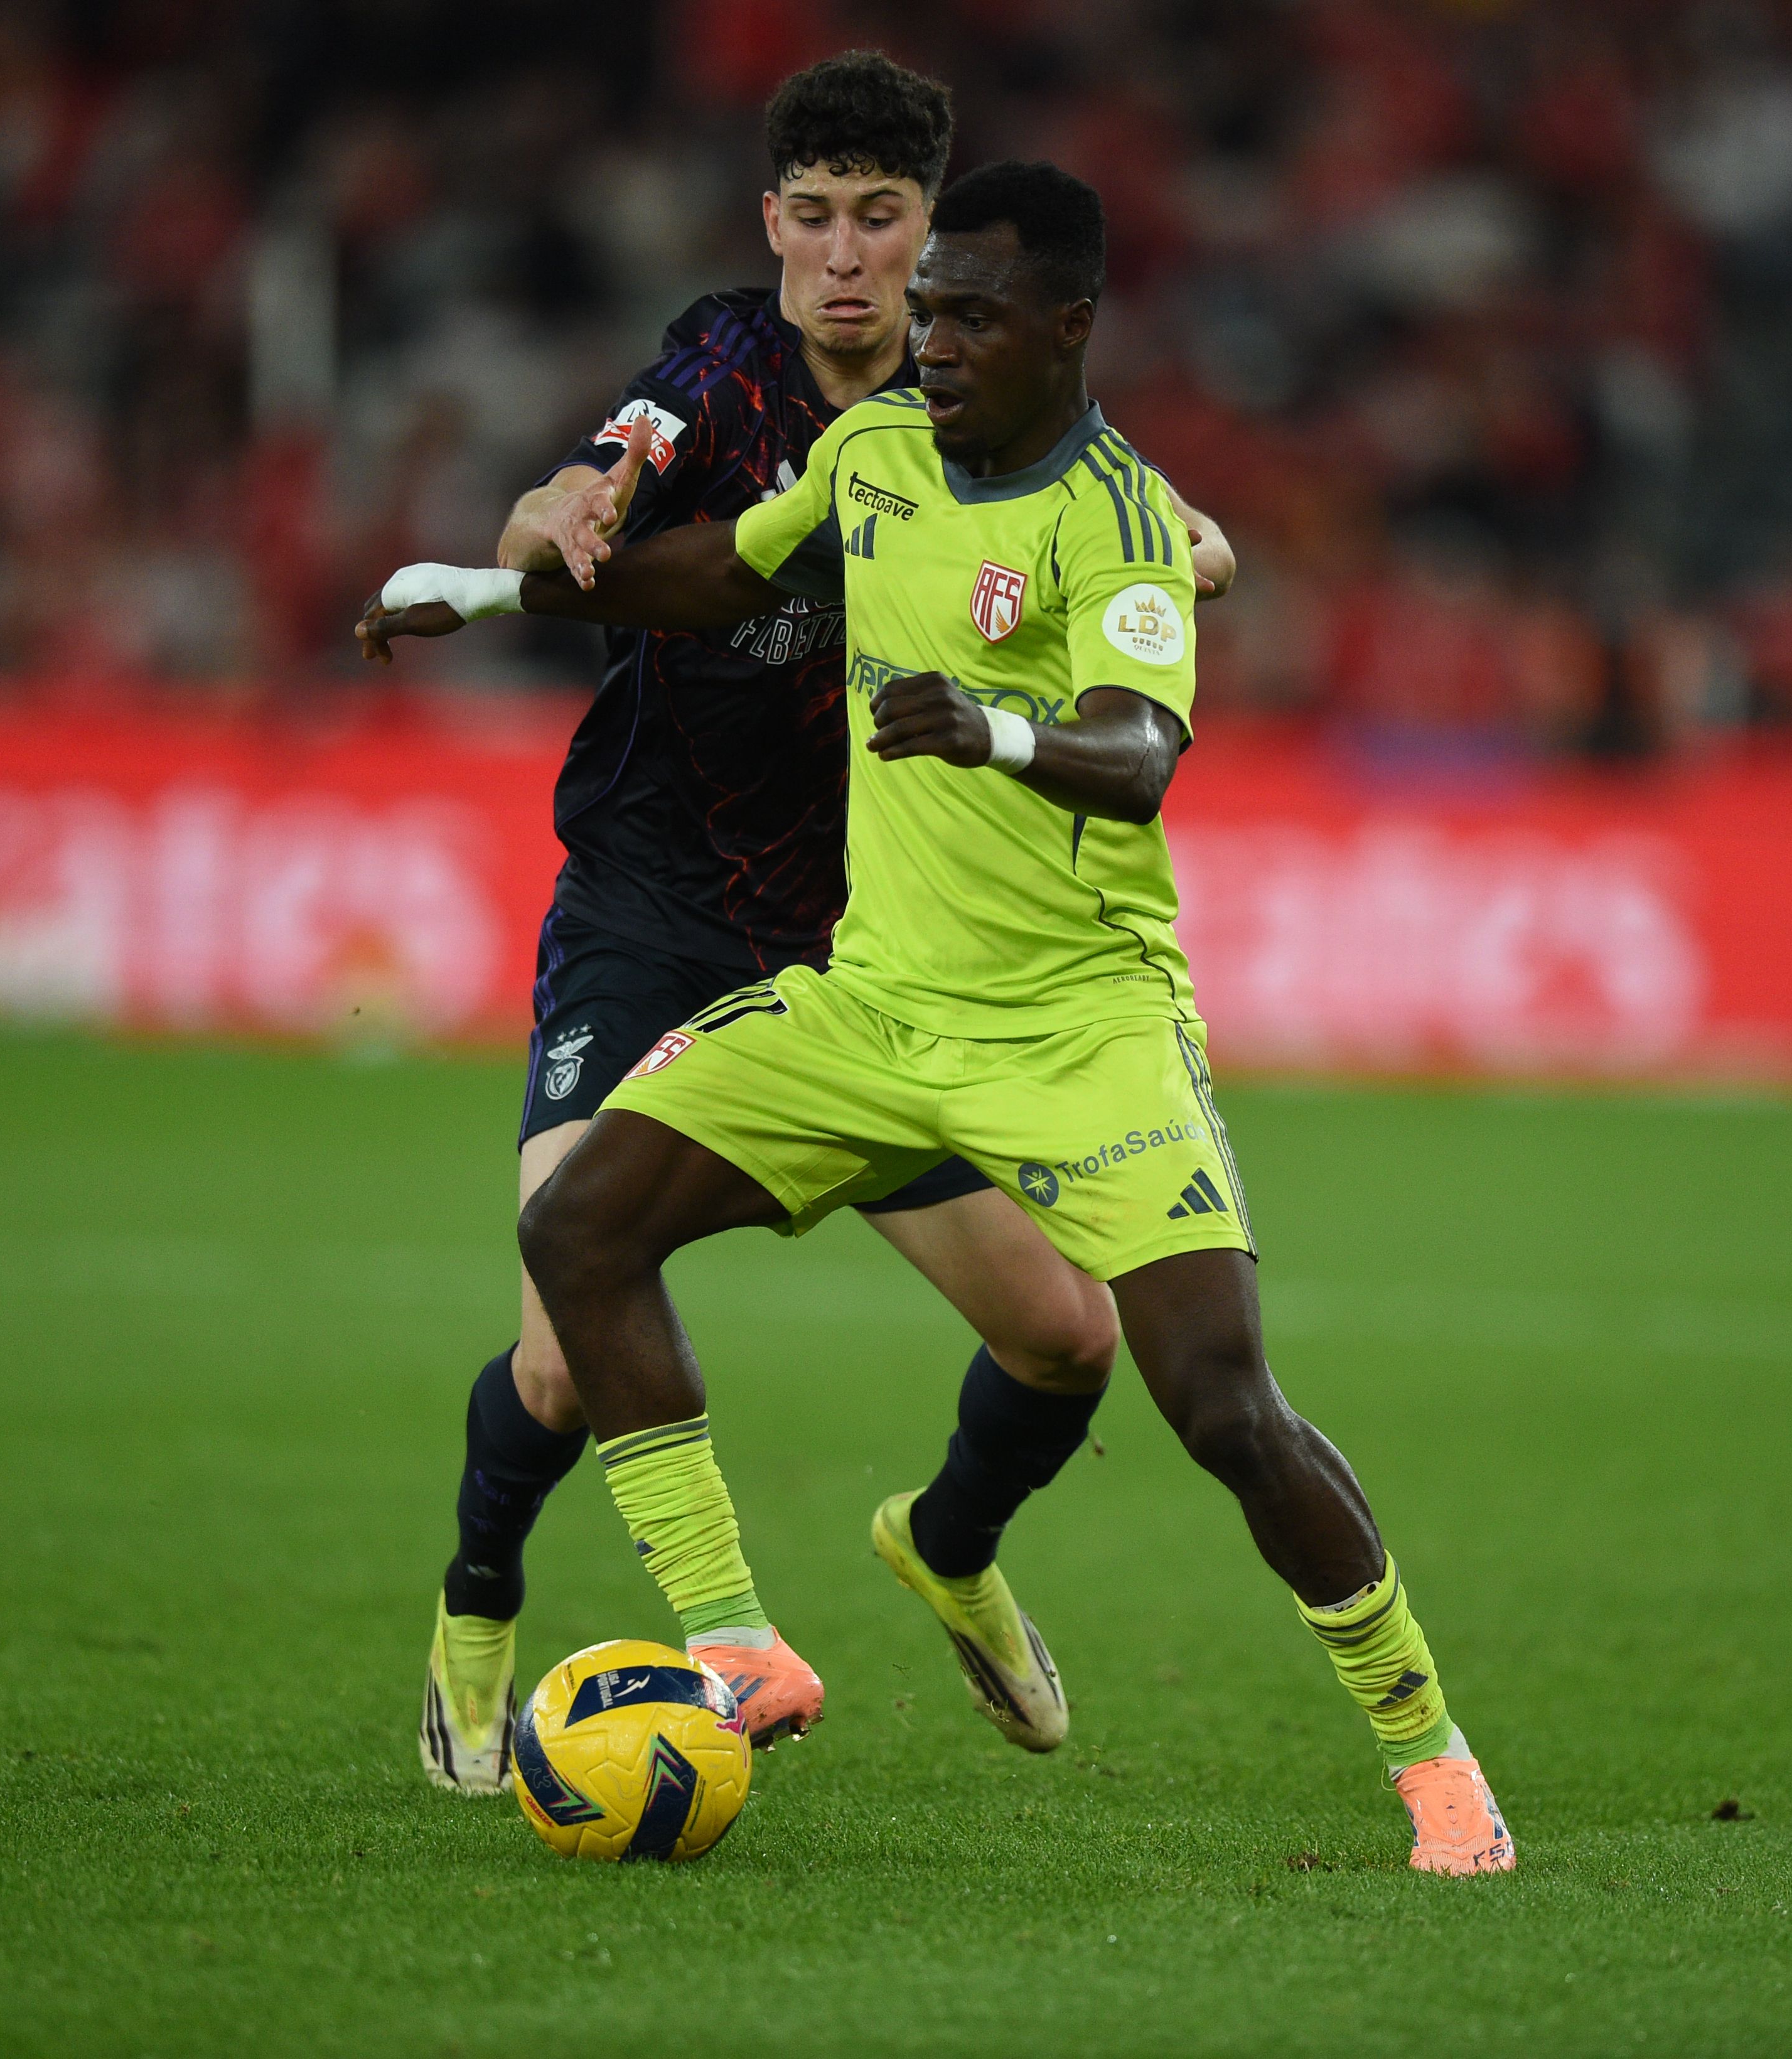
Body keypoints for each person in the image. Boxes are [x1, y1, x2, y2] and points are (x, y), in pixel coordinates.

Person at [362, 161, 1511, 1874]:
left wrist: (986, 731)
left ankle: (1435, 1765)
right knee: (585, 1231)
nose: (935, 339)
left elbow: (1137, 755)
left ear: (1068, 327)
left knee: (1217, 1403)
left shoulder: (1119, 522)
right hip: (873, 1001)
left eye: (973, 313)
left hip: (1082, 1029)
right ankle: (738, 1645)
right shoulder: (873, 448)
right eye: (931, 308)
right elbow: (714, 580)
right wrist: (483, 592)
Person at [360, 53, 1234, 1798]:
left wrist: (1188, 544)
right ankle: (499, 1612)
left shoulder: (980, 400)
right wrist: (549, 522)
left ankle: (953, 1546)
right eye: (815, 219)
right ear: (772, 225)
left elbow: (1158, 528)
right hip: (654, 900)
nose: (848, 259)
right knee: (560, 1325)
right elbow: (600, 477)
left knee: (1068, 1336)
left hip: (869, 957)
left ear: (934, 233)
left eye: (883, 220)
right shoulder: (716, 371)